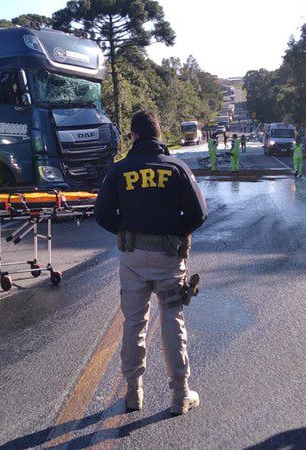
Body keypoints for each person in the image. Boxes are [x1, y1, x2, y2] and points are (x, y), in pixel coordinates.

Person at [94, 110, 209, 416]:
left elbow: (102, 214)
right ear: (159, 135)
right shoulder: (177, 168)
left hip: (132, 258)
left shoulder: (119, 171)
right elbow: (199, 214)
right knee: (172, 319)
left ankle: (134, 393)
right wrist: (175, 231)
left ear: (134, 136)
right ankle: (181, 394)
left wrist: (125, 229)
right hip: (169, 259)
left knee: (134, 322)